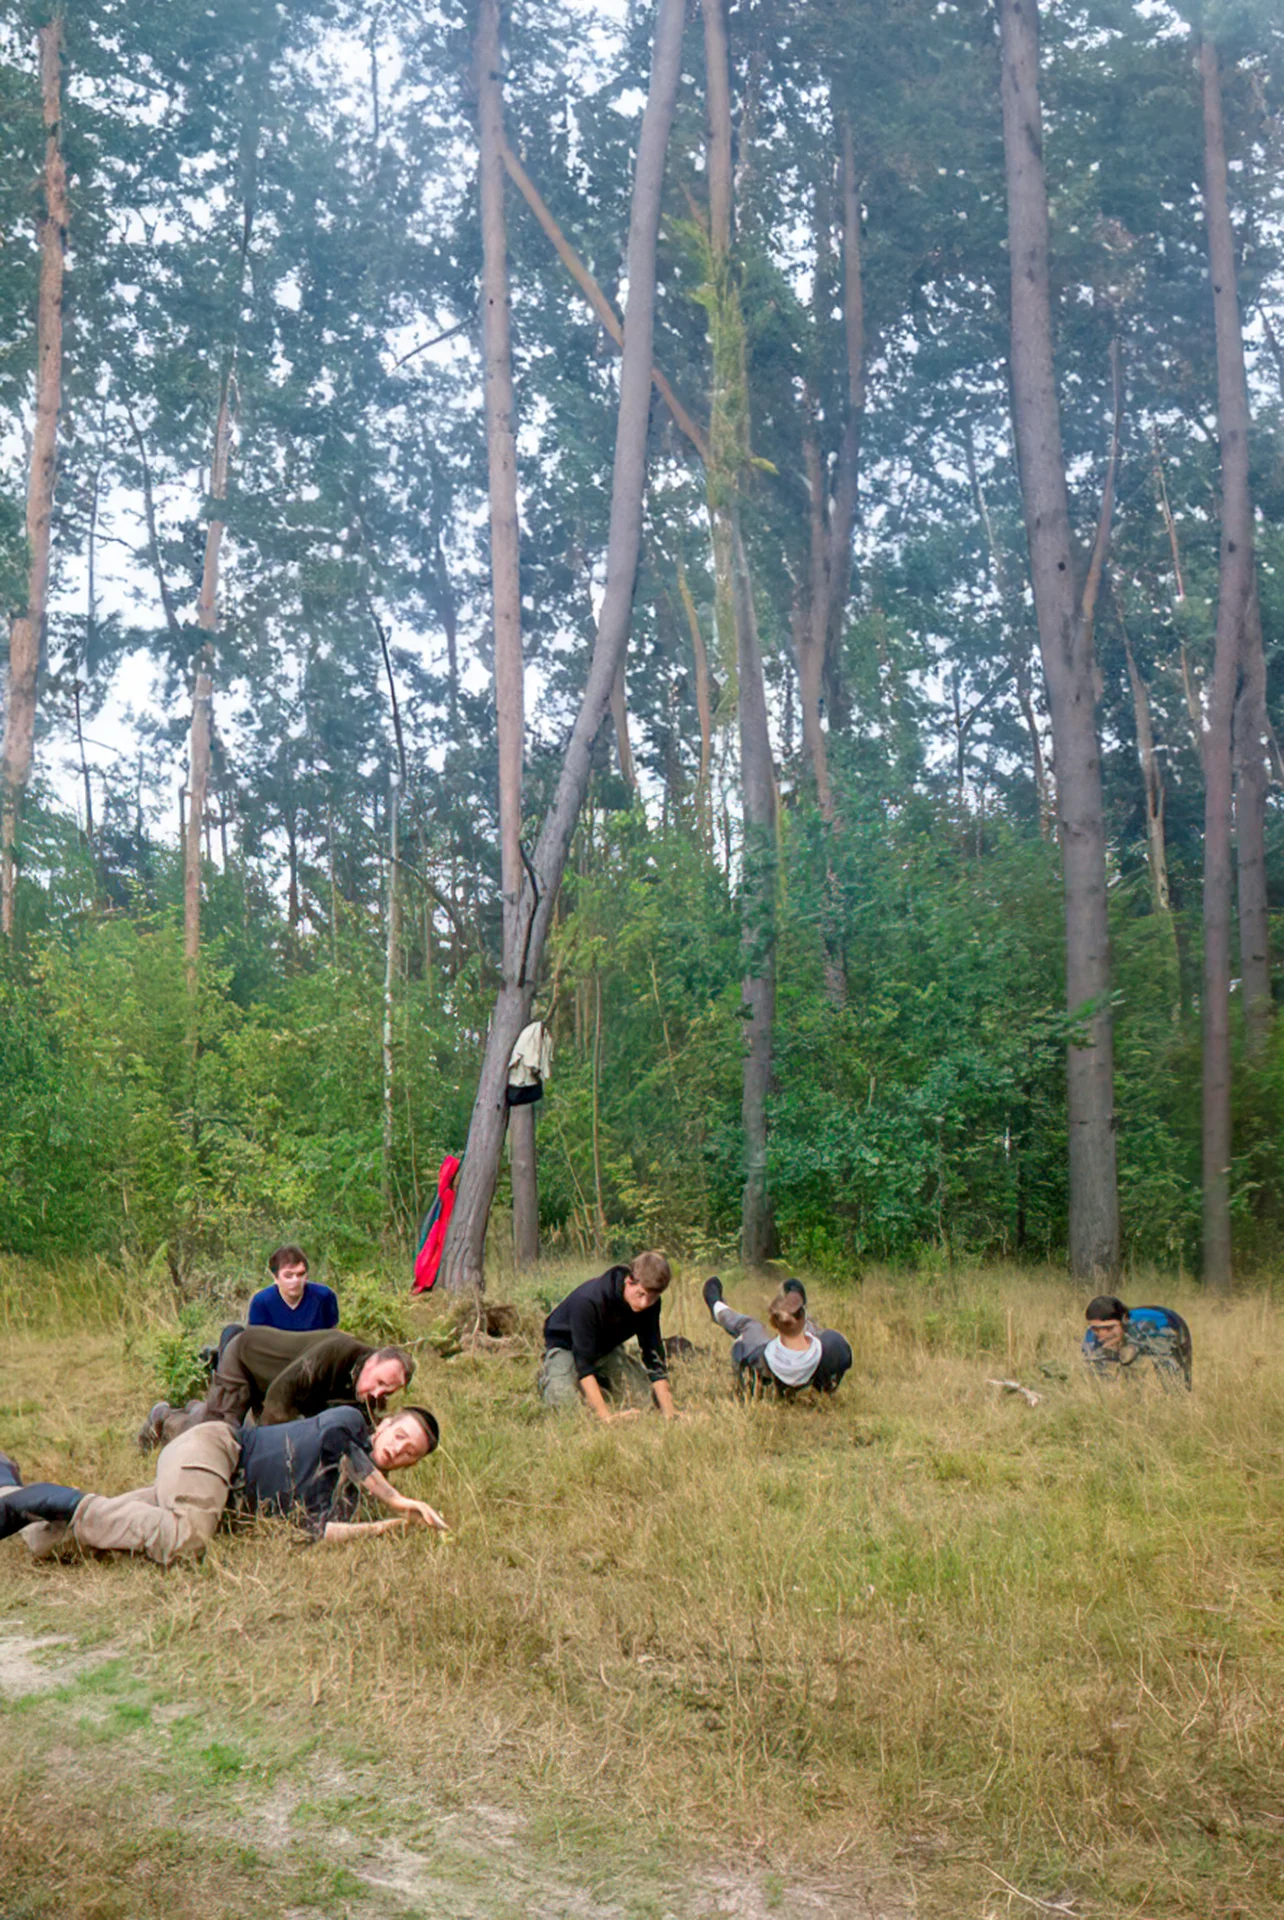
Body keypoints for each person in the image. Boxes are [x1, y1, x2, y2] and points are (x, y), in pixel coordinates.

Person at [0, 1406, 445, 1566]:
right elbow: (350, 1452)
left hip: (210, 1497)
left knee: (45, 1542)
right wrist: (398, 1500)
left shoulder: (349, 1496)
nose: (399, 1451)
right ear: (384, 1424)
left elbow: (315, 1533)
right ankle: (61, 1502)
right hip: (216, 1453)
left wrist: (391, 1526)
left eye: (412, 1454)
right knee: (184, 1538)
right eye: (400, 1437)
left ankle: (7, 1486)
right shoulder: (348, 1424)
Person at [140, 1330, 415, 1448]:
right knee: (216, 1435)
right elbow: (279, 1400)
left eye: (388, 1392)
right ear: (372, 1360)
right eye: (378, 1383)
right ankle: (164, 1420)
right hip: (247, 1358)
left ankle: (196, 1407)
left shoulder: (370, 1395)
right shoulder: (337, 1352)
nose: (379, 1395)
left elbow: (365, 1440)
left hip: (280, 1388)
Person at [538, 1251, 680, 1423]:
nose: (644, 1304)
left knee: (642, 1400)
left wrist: (670, 1413)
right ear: (629, 1281)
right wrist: (607, 1418)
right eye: (640, 1294)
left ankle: (600, 1385)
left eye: (652, 1298)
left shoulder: (651, 1304)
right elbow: (584, 1364)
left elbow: (653, 1355)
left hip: (606, 1348)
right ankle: (552, 1374)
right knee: (564, 1406)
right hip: (567, 1346)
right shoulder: (588, 1301)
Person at [701, 1276, 852, 1397]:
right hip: (815, 1372)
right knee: (814, 1332)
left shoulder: (758, 1357)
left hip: (771, 1371)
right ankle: (798, 1305)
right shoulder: (834, 1347)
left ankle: (717, 1306)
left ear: (775, 1324)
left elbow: (739, 1354)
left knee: (750, 1326)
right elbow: (843, 1357)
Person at [1081, 1295, 1192, 1390]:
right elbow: (1095, 1376)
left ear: (1124, 1320)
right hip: (1133, 1335)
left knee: (1175, 1382)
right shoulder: (1091, 1336)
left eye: (1110, 1328)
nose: (1103, 1335)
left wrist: (1131, 1351)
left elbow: (1168, 1363)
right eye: (1096, 1329)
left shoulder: (1153, 1327)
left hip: (1169, 1326)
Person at [247, 1245, 338, 1333]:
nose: (296, 1280)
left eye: (300, 1274)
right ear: (275, 1277)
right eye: (288, 1276)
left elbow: (331, 1337)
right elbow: (257, 1342)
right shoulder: (261, 1302)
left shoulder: (324, 1297)